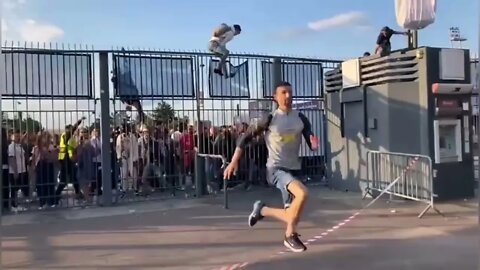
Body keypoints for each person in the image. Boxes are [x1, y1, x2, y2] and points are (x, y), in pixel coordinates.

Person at [223, 81, 319, 253]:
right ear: (275, 97)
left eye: (290, 92)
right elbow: (244, 139)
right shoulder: (270, 119)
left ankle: (263, 210)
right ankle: (289, 236)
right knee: (302, 193)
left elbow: (309, 137)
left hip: (294, 169)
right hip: (276, 169)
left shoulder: (300, 118)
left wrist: (313, 144)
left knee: (292, 214)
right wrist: (234, 161)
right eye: (283, 92)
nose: (288, 96)